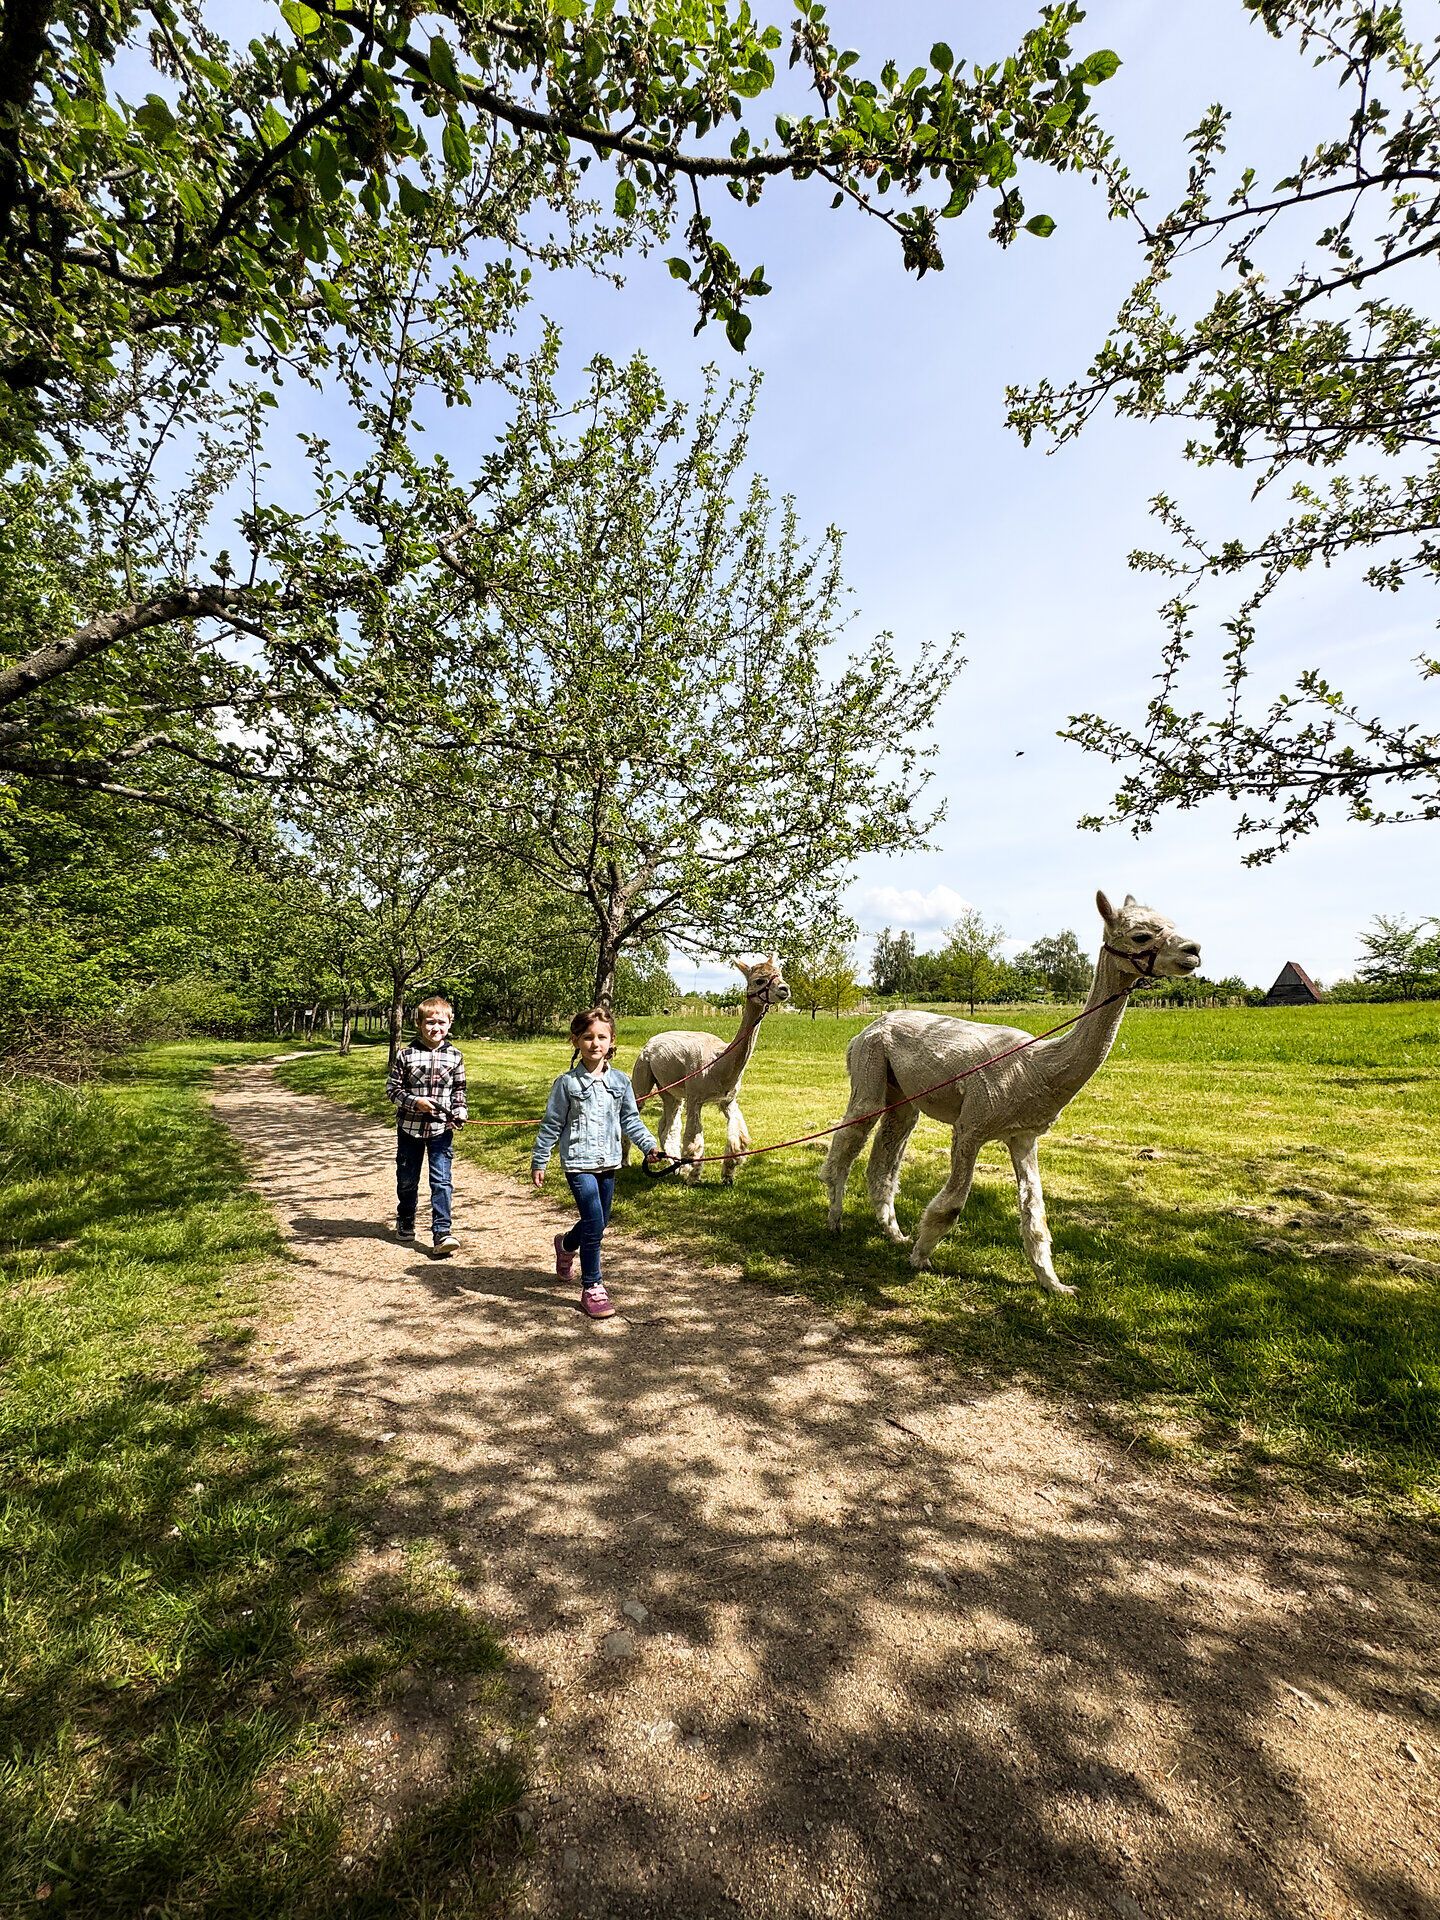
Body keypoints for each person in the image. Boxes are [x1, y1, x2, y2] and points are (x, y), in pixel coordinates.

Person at [532, 1006, 662, 1318]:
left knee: (599, 1222)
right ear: (575, 1041)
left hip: (609, 1163)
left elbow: (631, 1119)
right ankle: (593, 1286)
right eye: (587, 1037)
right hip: (578, 1162)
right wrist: (540, 1159)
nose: (595, 1043)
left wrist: (648, 1146)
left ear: (612, 1040)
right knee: (594, 1224)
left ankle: (565, 1245)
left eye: (601, 1037)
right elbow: (551, 1124)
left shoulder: (620, 1082)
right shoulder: (567, 1084)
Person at [386, 994, 467, 1254]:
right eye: (430, 1022)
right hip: (410, 1128)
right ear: (420, 1024)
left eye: (442, 1023)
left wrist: (460, 1111)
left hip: (441, 1130)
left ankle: (442, 1232)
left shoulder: (455, 1057)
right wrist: (414, 1102)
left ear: (450, 1024)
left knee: (441, 1181)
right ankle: (406, 1217)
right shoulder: (405, 1055)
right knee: (407, 1179)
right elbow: (393, 1090)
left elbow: (459, 1091)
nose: (436, 1028)